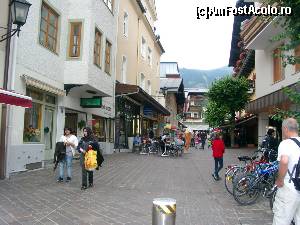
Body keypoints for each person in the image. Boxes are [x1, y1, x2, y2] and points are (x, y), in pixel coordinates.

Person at [272, 118, 300, 225]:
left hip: (289, 189)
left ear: (285, 129)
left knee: (281, 220)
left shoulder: (286, 143)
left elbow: (284, 161)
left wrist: (280, 180)